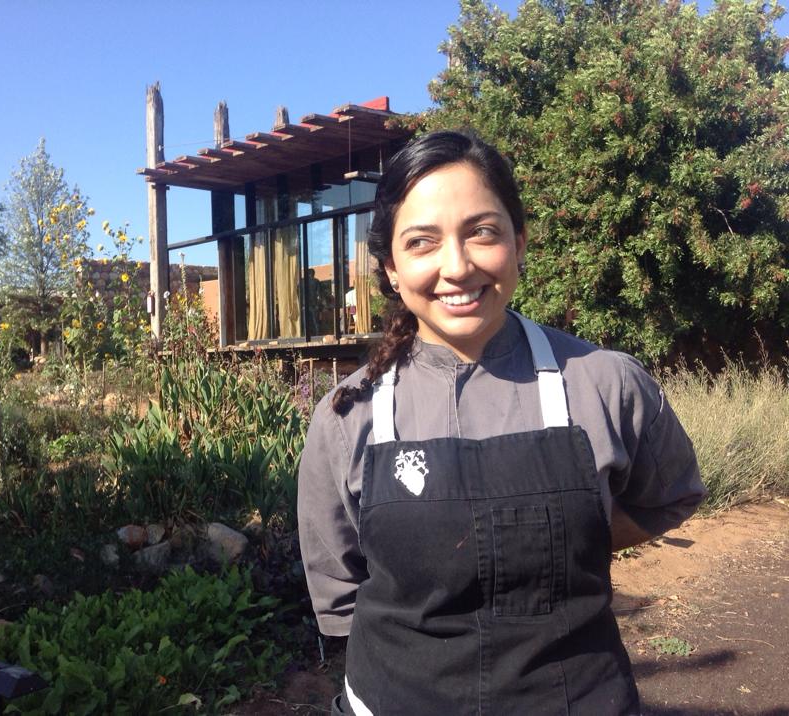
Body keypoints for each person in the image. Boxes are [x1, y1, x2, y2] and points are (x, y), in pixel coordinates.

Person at [297, 130, 705, 715]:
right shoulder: (346, 417)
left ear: (519, 241)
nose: (457, 267)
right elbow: (340, 595)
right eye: (422, 242)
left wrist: (572, 536)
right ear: (390, 267)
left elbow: (667, 496)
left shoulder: (606, 383)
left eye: (481, 232)